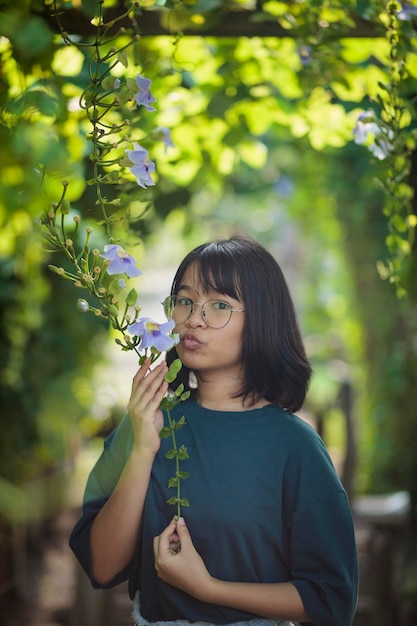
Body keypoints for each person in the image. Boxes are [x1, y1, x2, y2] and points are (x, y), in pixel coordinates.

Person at [70, 235, 358, 626]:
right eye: (185, 301)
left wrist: (208, 588)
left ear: (262, 319)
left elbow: (331, 598)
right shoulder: (147, 422)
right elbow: (101, 567)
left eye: (219, 305)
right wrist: (142, 450)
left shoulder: (295, 447)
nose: (193, 318)